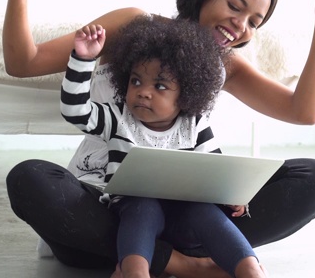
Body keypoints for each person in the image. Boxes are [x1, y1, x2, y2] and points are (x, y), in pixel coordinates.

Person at [0, 0, 315, 277]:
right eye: (234, 5)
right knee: (29, 178)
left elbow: (304, 112)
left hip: (193, 220)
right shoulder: (133, 25)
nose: (240, 25)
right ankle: (183, 264)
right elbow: (23, 62)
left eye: (254, 22)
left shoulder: (226, 65)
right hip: (105, 216)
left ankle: (185, 253)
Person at [61, 16, 266, 277]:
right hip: (131, 211)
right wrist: (83, 59)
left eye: (160, 86)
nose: (144, 92)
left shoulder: (195, 125)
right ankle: (135, 272)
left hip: (184, 215)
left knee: (207, 213)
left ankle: (250, 268)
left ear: (187, 94)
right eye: (136, 81)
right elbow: (75, 110)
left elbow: (215, 173)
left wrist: (231, 197)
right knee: (142, 206)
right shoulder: (116, 117)